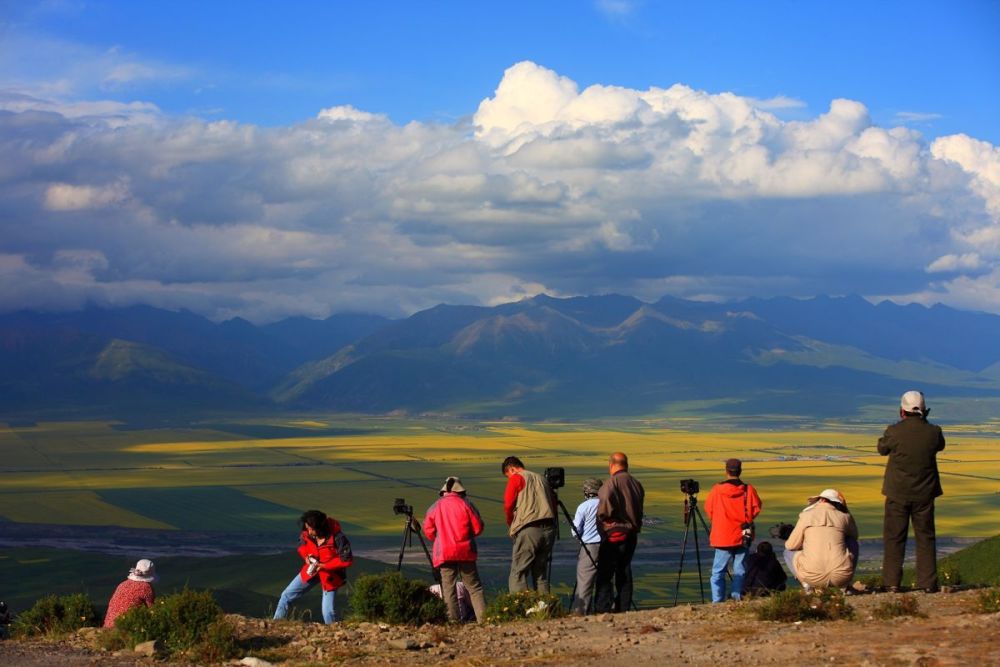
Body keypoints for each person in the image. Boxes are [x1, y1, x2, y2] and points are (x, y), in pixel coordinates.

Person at [878, 390, 946, 592]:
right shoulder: (934, 432)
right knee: (926, 537)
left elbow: (882, 449)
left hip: (897, 493)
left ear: (902, 411)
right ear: (924, 410)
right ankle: (928, 583)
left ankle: (891, 583)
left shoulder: (894, 431)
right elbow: (939, 446)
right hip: (925, 493)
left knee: (894, 537)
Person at [423, 476, 488, 622]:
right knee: (474, 587)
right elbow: (478, 528)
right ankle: (484, 620)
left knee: (448, 588)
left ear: (444, 491)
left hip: (444, 552)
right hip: (466, 551)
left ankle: (453, 621)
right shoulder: (467, 504)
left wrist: (440, 539)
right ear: (461, 490)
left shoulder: (436, 506)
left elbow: (428, 529)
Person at [273, 510, 353, 624]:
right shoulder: (307, 532)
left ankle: (333, 635)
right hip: (311, 570)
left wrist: (324, 566)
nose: (309, 532)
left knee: (328, 612)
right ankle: (276, 625)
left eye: (312, 529)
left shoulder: (338, 537)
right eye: (307, 528)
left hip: (330, 575)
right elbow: (302, 545)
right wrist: (306, 557)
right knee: (285, 596)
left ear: (321, 527)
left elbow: (347, 559)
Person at [704, 458, 762, 602]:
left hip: (722, 536)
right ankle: (736, 599)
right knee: (740, 571)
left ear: (726, 471)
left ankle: (717, 601)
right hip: (742, 537)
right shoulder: (748, 490)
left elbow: (708, 509)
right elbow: (756, 508)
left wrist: (720, 521)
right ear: (740, 471)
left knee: (718, 572)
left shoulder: (717, 489)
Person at [594, 452, 645, 613]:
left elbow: (604, 506)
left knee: (605, 574)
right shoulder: (636, 484)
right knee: (624, 571)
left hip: (614, 534)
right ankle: (623, 608)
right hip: (632, 534)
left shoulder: (611, 483)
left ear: (611, 465)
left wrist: (605, 518)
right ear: (626, 465)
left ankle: (603, 608)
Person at [783, 488, 859, 591]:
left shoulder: (806, 515)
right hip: (841, 576)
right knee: (852, 542)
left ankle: (806, 585)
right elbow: (854, 536)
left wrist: (804, 545)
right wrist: (846, 511)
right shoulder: (844, 517)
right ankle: (846, 586)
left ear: (822, 500)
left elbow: (790, 546)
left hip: (812, 576)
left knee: (787, 552)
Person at [502, 456, 557, 593]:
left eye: (507, 475)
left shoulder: (517, 478)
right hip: (549, 529)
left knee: (518, 573)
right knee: (540, 575)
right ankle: (545, 610)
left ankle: (520, 608)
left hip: (529, 529)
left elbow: (508, 504)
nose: (509, 478)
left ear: (512, 468)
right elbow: (554, 504)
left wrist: (511, 523)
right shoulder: (542, 479)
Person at [570, 477, 603, 615]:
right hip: (607, 545)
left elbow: (575, 530)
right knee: (604, 580)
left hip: (589, 546)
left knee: (584, 581)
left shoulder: (583, 506)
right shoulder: (606, 503)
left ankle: (580, 612)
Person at [103, 559, 157, 628]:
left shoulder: (123, 584)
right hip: (125, 626)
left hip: (108, 625)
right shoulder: (146, 587)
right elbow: (152, 609)